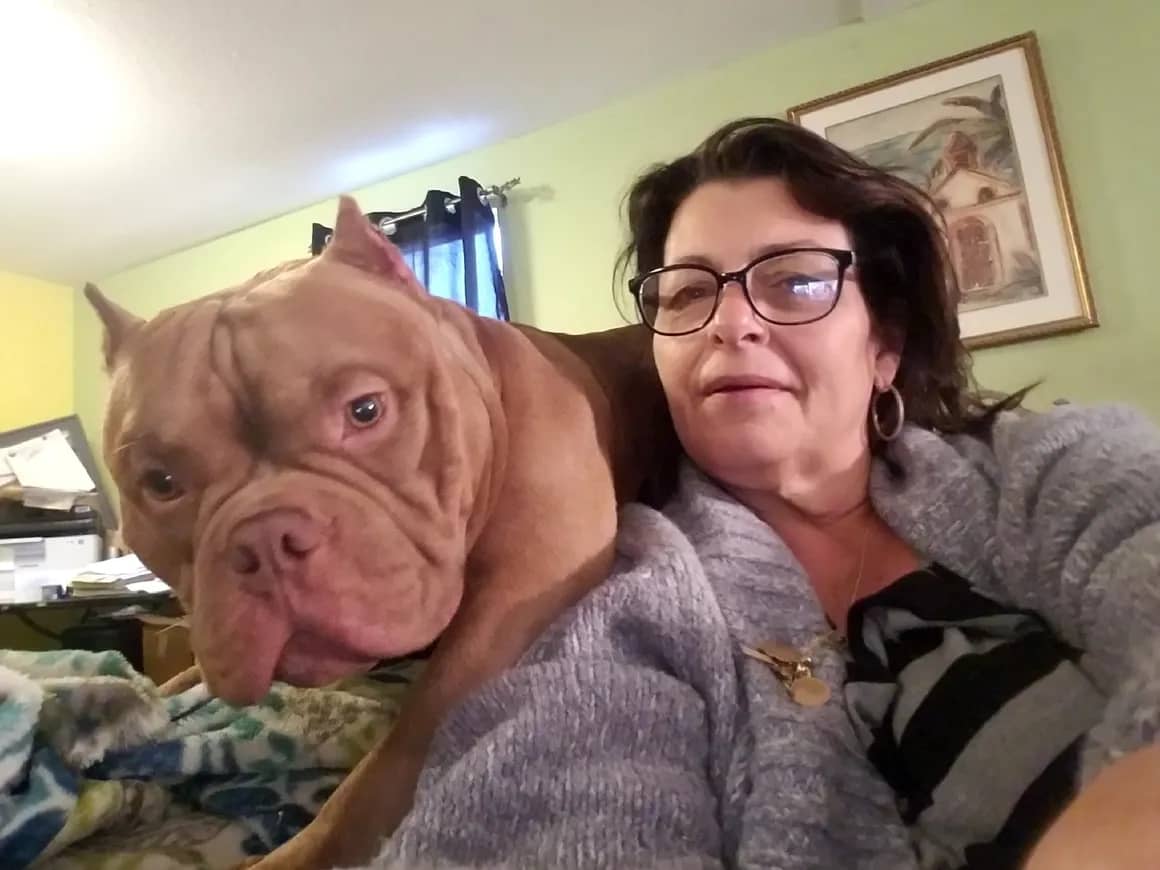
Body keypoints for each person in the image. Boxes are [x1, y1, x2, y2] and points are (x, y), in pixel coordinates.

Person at [368, 118, 1160, 869]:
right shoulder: (625, 600)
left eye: (794, 282)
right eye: (685, 292)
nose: (730, 322)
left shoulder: (1050, 466)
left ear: (884, 346)